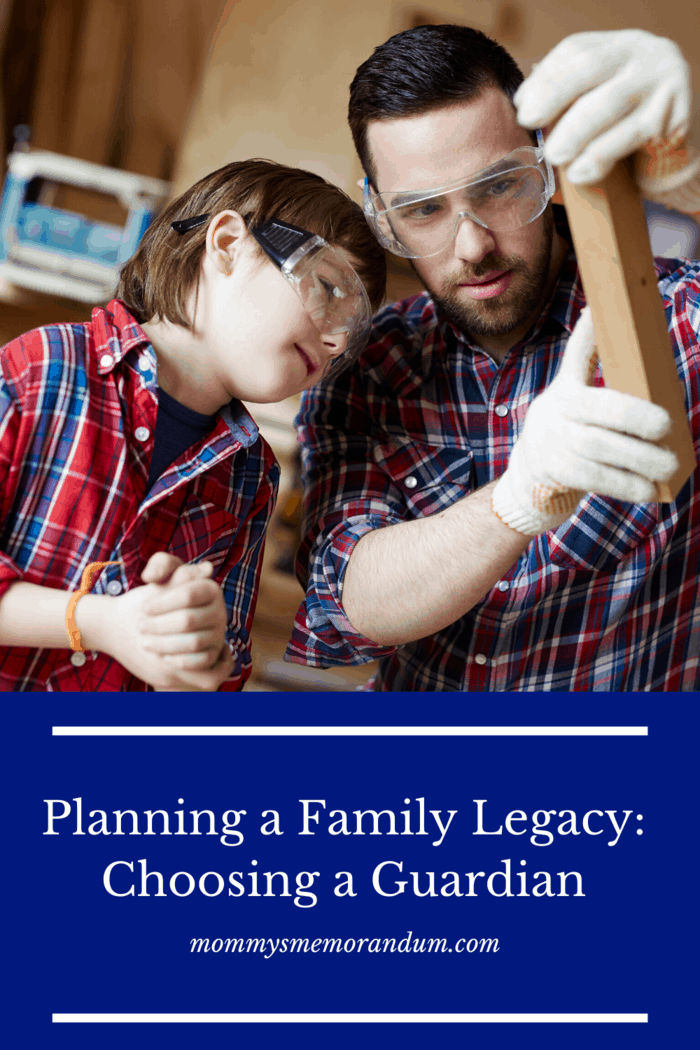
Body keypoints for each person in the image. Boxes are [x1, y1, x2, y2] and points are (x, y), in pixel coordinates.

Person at [286, 25, 700, 691]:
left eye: (501, 186)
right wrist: (516, 501)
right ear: (380, 214)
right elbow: (350, 603)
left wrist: (694, 181)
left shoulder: (678, 324)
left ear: (547, 165)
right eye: (422, 210)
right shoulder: (368, 367)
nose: (473, 245)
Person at [0, 159, 385, 691]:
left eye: (354, 328)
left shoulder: (251, 476)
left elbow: (221, 676)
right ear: (227, 244)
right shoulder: (45, 367)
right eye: (326, 287)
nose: (339, 341)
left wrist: (198, 652)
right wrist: (100, 623)